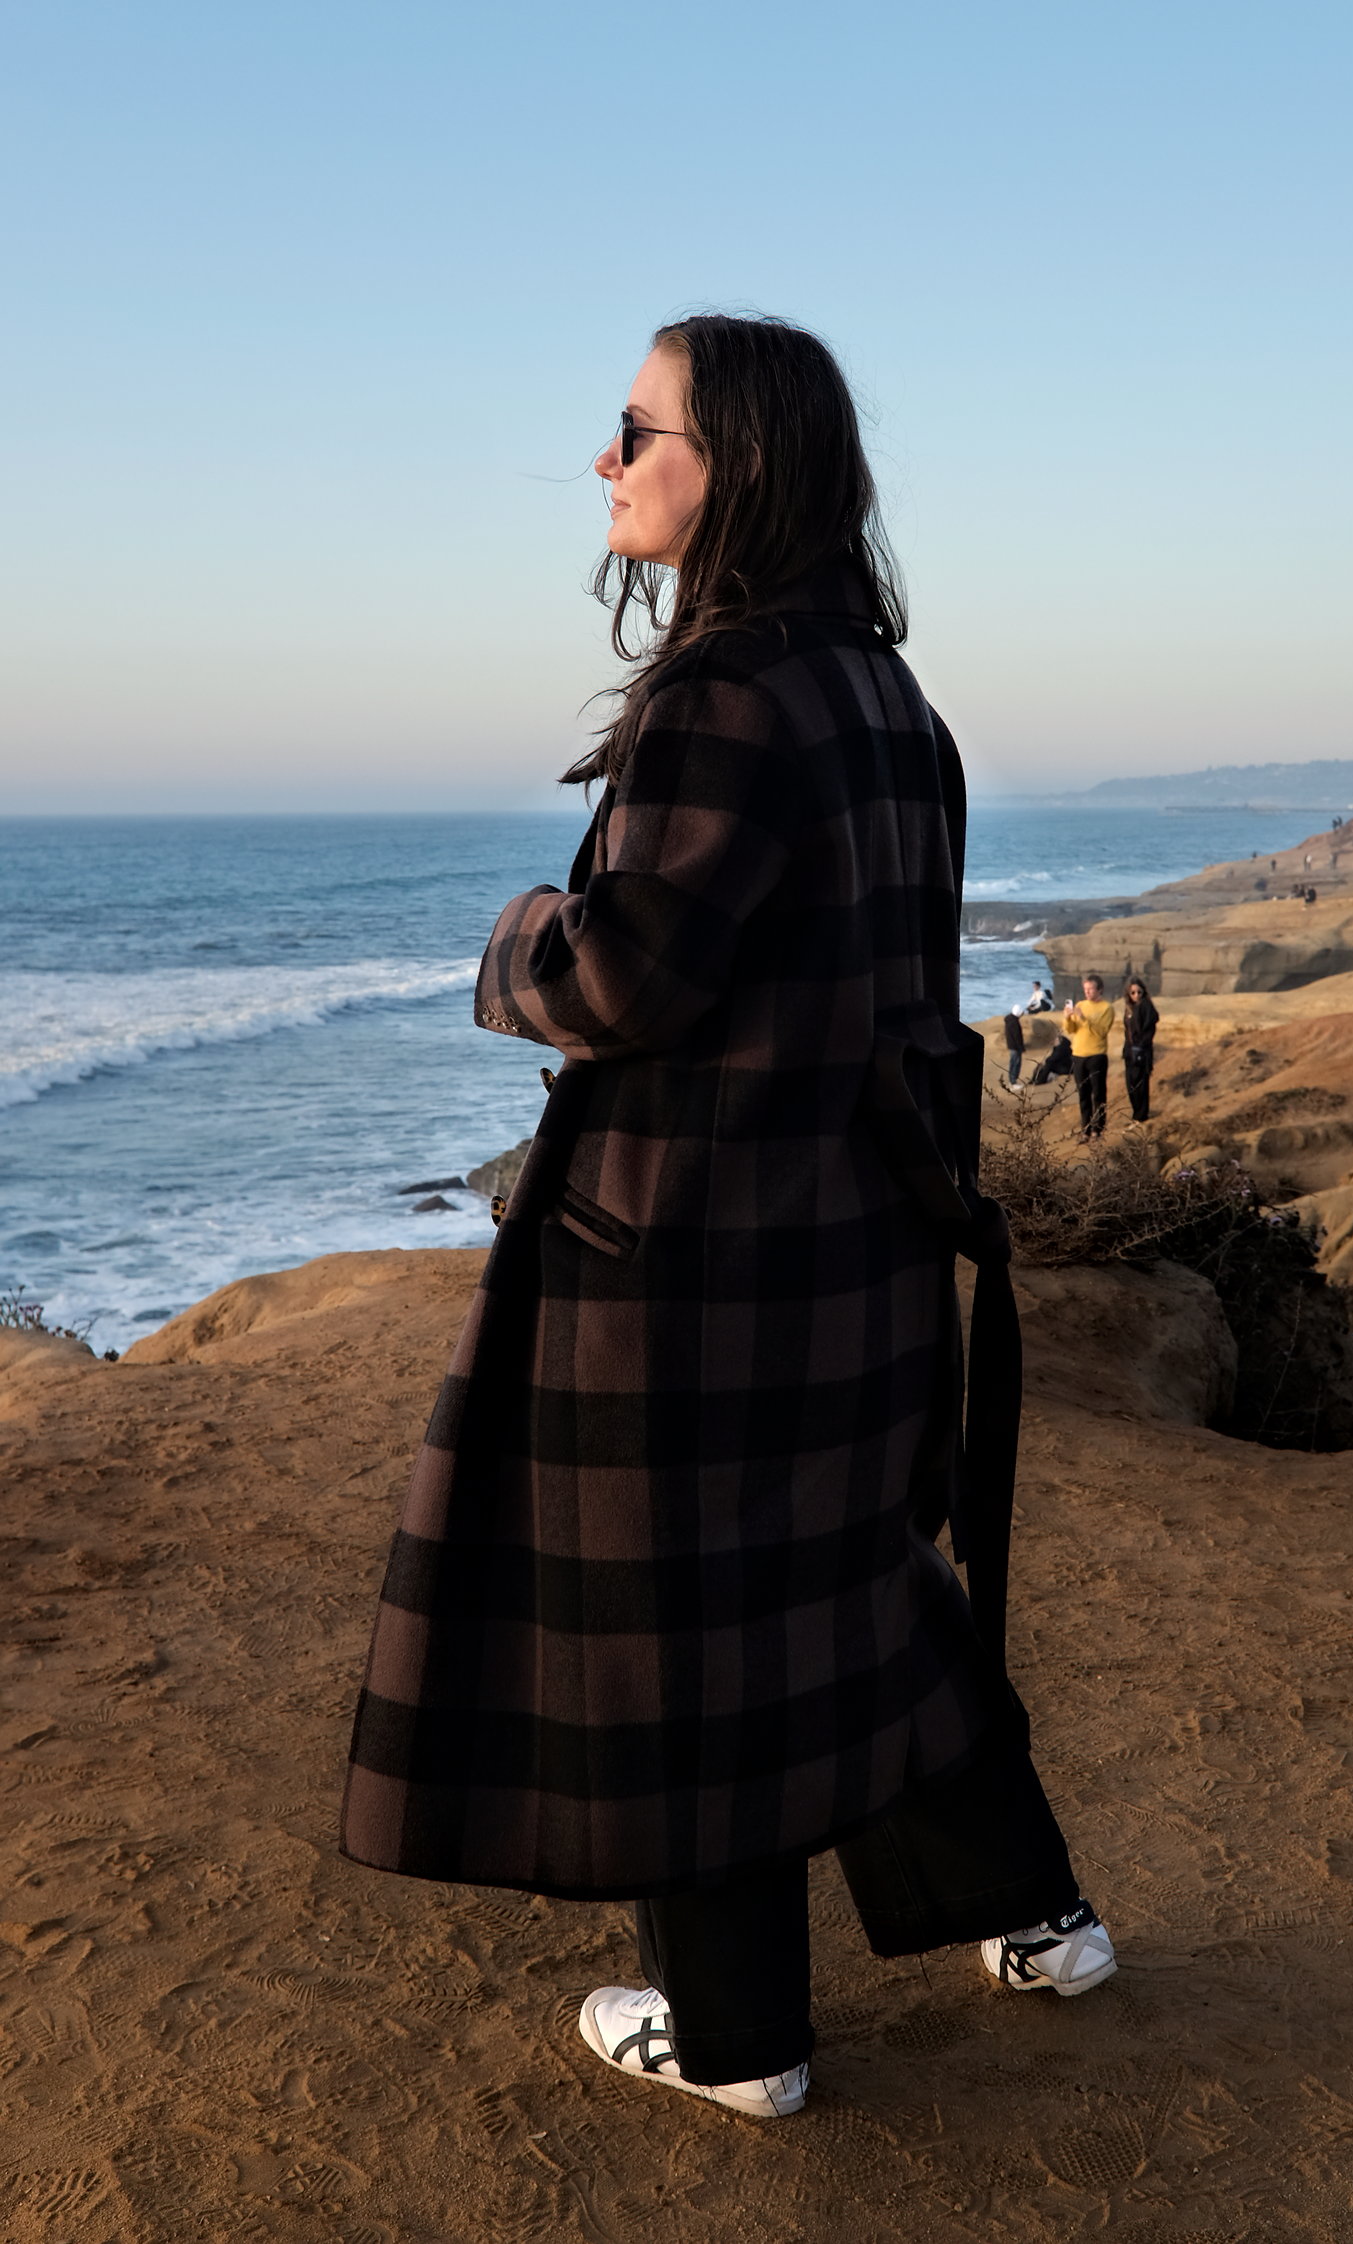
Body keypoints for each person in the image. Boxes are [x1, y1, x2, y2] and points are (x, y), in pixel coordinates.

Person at [340, 315, 1113, 2124]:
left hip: (686, 1262)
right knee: (854, 1590)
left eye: (636, 427)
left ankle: (741, 2038)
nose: (605, 459)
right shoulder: (891, 701)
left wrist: (516, 934)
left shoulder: (725, 694)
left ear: (736, 460)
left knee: (680, 1635)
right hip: (858, 1243)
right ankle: (1037, 1915)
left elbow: (618, 980)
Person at [1061, 972, 1115, 1139]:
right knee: (1083, 1094)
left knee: (1098, 1094)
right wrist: (1068, 1018)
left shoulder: (1107, 1008)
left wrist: (1083, 1017)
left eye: (1091, 989)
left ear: (1100, 990)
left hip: (1097, 1055)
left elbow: (1101, 1032)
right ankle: (1085, 1129)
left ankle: (1097, 1129)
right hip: (1078, 1055)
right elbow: (1070, 1030)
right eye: (1085, 989)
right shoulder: (1081, 1004)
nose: (1088, 992)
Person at [1122, 978, 1159, 1124]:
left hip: (1142, 1052)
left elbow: (1149, 1030)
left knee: (1141, 1085)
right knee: (1130, 1084)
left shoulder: (1146, 1007)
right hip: (1129, 1052)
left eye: (1139, 992)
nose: (1136, 995)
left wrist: (1141, 1047)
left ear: (1144, 993)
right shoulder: (1129, 1008)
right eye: (1133, 993)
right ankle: (1136, 1114)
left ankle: (1141, 1116)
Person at [1001, 1010, 1025, 1086]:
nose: (1022, 1014)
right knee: (1016, 1063)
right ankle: (1013, 1082)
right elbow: (1017, 1036)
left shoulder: (1009, 1019)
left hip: (1011, 1045)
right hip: (1015, 1047)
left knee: (1013, 1063)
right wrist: (1021, 1047)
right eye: (1021, 1013)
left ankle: (1011, 1081)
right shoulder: (1014, 1022)